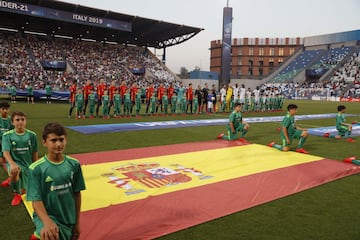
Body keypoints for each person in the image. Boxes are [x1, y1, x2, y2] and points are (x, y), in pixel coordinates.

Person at [27, 122, 86, 240]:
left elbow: (76, 193)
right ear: (44, 142)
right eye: (53, 140)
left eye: (61, 139)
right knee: (49, 234)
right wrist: (47, 221)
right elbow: (36, 200)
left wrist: (77, 222)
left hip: (68, 217)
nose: (58, 144)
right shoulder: (36, 169)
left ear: (66, 140)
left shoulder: (74, 164)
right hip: (47, 215)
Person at [2, 111, 38, 205]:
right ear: (12, 122)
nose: (20, 122)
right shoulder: (7, 135)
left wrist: (36, 168)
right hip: (15, 163)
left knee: (24, 191)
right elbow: (6, 152)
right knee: (15, 171)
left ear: (26, 121)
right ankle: (16, 194)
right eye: (17, 120)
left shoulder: (32, 135)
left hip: (27, 164)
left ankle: (12, 180)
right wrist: (12, 164)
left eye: (22, 119)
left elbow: (34, 153)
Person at [0, 102, 14, 187]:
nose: (5, 111)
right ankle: (11, 177)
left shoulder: (10, 120)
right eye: (3, 109)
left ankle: (13, 177)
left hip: (8, 144)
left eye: (6, 109)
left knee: (7, 161)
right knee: (2, 161)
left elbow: (13, 132)